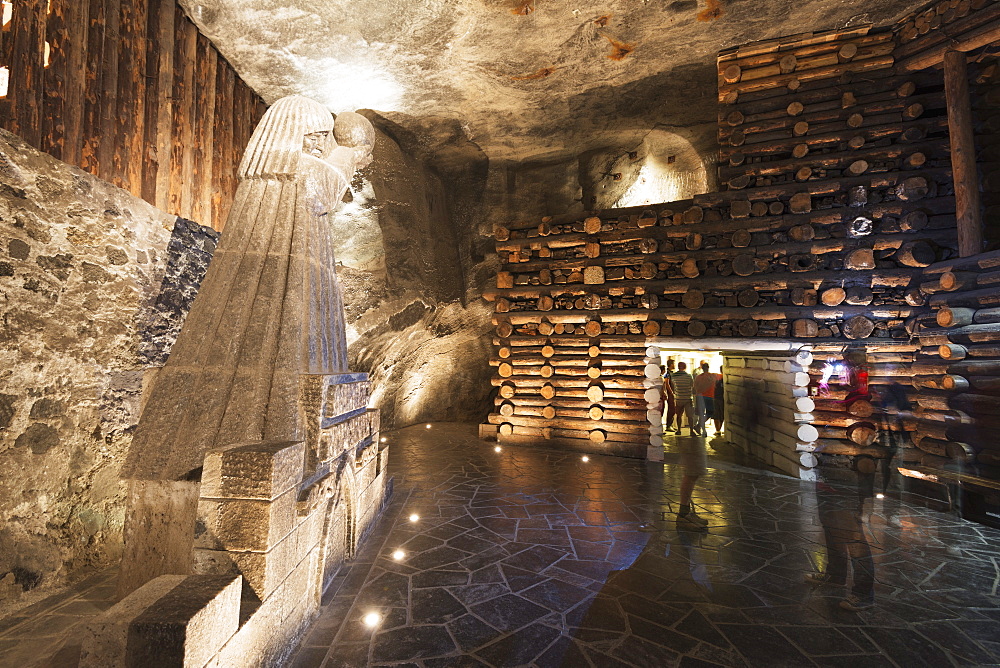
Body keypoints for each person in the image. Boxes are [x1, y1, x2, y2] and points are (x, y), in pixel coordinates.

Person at [671, 362, 697, 436]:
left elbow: (673, 386)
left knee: (679, 415)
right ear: (685, 367)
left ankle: (679, 430)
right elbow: (692, 386)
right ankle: (691, 431)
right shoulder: (689, 376)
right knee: (690, 416)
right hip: (688, 398)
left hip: (678, 398)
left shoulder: (673, 376)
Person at [693, 361, 719, 435]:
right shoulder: (712, 376)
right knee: (710, 413)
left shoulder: (698, 377)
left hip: (699, 396)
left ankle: (701, 428)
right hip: (709, 397)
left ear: (702, 368)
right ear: (708, 368)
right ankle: (699, 426)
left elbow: (695, 387)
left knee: (701, 413)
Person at [663, 359, 677, 433]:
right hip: (670, 394)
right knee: (671, 409)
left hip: (672, 393)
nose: (675, 365)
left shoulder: (671, 373)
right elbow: (667, 383)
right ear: (671, 364)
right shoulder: (667, 373)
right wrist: (671, 392)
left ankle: (670, 424)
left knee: (673, 409)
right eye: (674, 363)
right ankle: (669, 425)